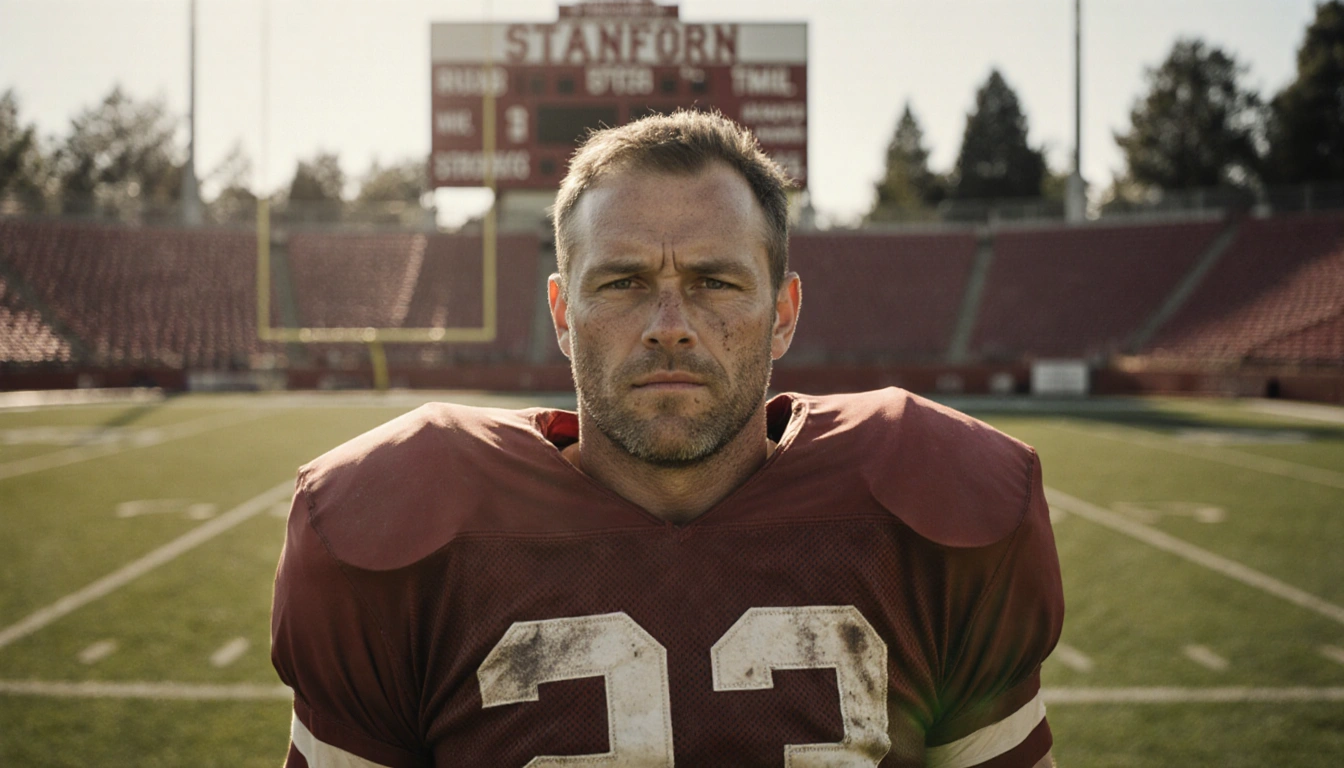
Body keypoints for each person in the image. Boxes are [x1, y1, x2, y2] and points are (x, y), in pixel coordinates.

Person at [271, 110, 1064, 767]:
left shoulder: (926, 508)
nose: (670, 328)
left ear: (784, 312)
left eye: (714, 282)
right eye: (624, 283)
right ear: (560, 314)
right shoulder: (409, 529)